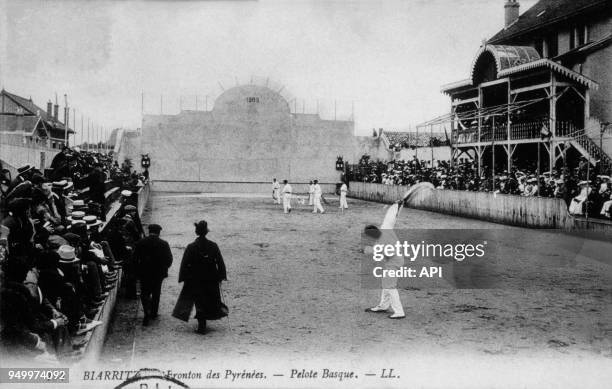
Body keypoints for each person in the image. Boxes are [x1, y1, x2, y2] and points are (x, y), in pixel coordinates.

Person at [176, 220, 227, 334]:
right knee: (209, 299)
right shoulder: (213, 246)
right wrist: (221, 276)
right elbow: (220, 262)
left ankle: (202, 325)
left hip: (195, 279)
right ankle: (205, 322)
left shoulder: (191, 247)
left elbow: (185, 263)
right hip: (211, 278)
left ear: (197, 232)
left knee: (199, 301)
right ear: (206, 232)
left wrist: (183, 277)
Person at [363, 201, 405, 319]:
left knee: (390, 286)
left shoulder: (380, 241)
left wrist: (369, 250)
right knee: (386, 283)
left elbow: (387, 252)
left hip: (394, 262)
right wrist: (396, 206)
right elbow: (390, 216)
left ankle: (399, 311)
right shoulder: (385, 228)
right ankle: (383, 305)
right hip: (394, 261)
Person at [134, 224, 173, 326]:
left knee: (145, 292)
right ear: (159, 232)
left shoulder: (140, 242)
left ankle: (146, 311)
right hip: (158, 273)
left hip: (144, 272)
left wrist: (138, 271)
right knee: (156, 292)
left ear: (149, 231)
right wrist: (164, 268)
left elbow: (134, 259)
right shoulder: (164, 244)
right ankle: (154, 313)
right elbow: (169, 259)